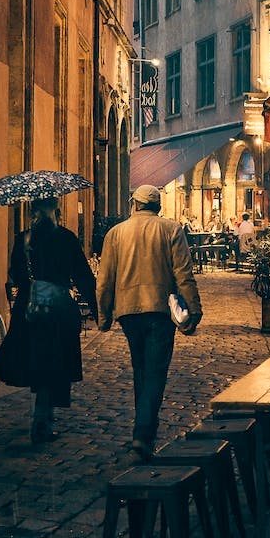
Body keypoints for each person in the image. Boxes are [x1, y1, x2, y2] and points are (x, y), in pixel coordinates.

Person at [96, 184, 202, 461]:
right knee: (154, 371)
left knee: (141, 369)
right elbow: (184, 274)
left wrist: (104, 316)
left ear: (134, 204)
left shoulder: (116, 233)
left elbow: (104, 280)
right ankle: (142, 435)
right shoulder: (171, 230)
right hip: (159, 310)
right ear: (158, 206)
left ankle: (143, 432)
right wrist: (194, 310)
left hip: (128, 311)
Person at [0, 197, 98, 444]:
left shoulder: (23, 239)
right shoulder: (66, 238)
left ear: (32, 212)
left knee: (38, 362)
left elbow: (15, 273)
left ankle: (43, 416)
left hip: (28, 309)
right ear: (57, 211)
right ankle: (42, 418)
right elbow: (82, 275)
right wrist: (97, 308)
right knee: (55, 363)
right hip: (58, 310)